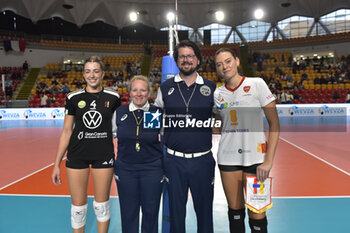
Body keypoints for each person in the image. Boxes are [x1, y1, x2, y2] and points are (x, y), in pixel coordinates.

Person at [51, 56, 121, 233]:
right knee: (78, 209)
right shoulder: (73, 98)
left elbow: (120, 129)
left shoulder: (113, 97)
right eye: (88, 71)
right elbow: (67, 131)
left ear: (102, 74)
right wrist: (56, 164)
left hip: (103, 155)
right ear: (83, 74)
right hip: (77, 155)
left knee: (102, 206)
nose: (92, 75)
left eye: (96, 71)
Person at [213, 48, 280, 233]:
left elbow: (275, 125)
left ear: (236, 61)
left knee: (257, 217)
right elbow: (218, 125)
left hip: (257, 162)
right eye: (219, 64)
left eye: (227, 61)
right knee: (235, 214)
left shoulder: (257, 84)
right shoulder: (217, 94)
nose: (224, 66)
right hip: (228, 160)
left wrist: (268, 161)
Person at [154, 40, 217, 233]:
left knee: (205, 214)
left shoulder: (212, 88)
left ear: (198, 60)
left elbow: (223, 120)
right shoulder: (165, 88)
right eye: (182, 56)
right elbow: (154, 121)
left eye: (190, 56)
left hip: (203, 161)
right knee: (176, 214)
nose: (186, 60)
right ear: (177, 61)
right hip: (174, 161)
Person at [114, 75, 164, 233]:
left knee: (151, 212)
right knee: (129, 213)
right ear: (129, 92)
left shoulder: (157, 113)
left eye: (143, 90)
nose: (139, 93)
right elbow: (108, 137)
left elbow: (166, 138)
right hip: (125, 169)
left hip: (152, 170)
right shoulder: (120, 112)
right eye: (135, 90)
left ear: (149, 93)